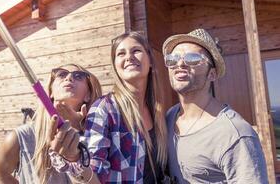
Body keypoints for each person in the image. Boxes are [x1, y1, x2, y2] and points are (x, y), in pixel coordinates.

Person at [48, 31, 168, 183]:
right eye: (121, 53)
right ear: (115, 66)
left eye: (136, 50)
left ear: (150, 60)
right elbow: (94, 176)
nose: (129, 57)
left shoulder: (157, 111)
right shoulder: (104, 109)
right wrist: (74, 158)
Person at [163, 28, 268, 184]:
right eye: (172, 58)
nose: (180, 63)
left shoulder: (235, 134)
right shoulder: (170, 117)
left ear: (211, 74)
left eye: (192, 58)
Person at [0, 63, 102, 184]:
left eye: (78, 76)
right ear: (50, 92)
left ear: (88, 95)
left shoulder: (98, 137)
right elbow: (0, 175)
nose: (69, 78)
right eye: (61, 74)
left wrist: (75, 157)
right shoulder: (22, 136)